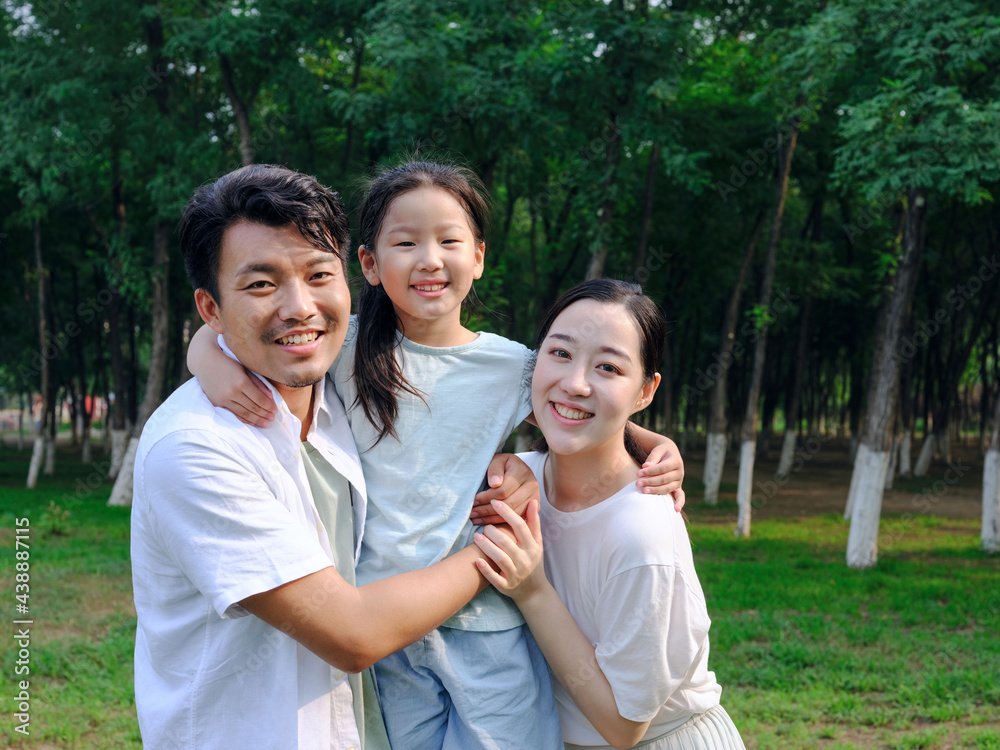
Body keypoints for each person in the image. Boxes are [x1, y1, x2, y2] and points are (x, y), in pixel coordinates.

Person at [188, 161, 687, 750]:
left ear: (477, 256)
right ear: (369, 265)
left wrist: (653, 442)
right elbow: (218, 331)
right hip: (385, 626)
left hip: (488, 625)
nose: (429, 259)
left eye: (449, 241)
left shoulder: (512, 366)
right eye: (405, 242)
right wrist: (211, 365)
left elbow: (580, 408)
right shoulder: (340, 348)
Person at [131, 163, 541, 750]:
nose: (299, 307)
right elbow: (353, 634)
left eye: (318, 274)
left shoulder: (334, 391)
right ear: (210, 307)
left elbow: (580, 409)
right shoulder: (196, 446)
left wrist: (536, 465)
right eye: (260, 284)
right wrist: (499, 550)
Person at [474, 279, 746, 750]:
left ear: (646, 391)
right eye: (560, 353)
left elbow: (625, 726)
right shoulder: (522, 479)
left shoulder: (641, 534)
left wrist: (532, 591)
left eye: (607, 367)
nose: (576, 382)